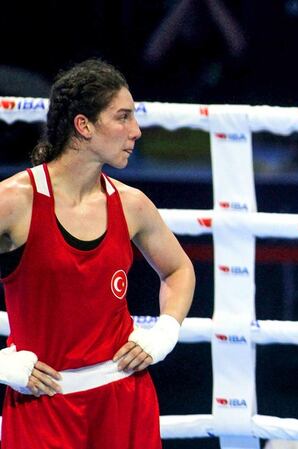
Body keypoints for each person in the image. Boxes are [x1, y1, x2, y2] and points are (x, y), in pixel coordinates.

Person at [0, 59, 196, 449]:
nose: (136, 131)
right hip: (44, 402)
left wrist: (165, 332)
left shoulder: (131, 204)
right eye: (122, 117)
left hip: (125, 397)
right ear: (84, 125)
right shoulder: (15, 202)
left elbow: (179, 270)